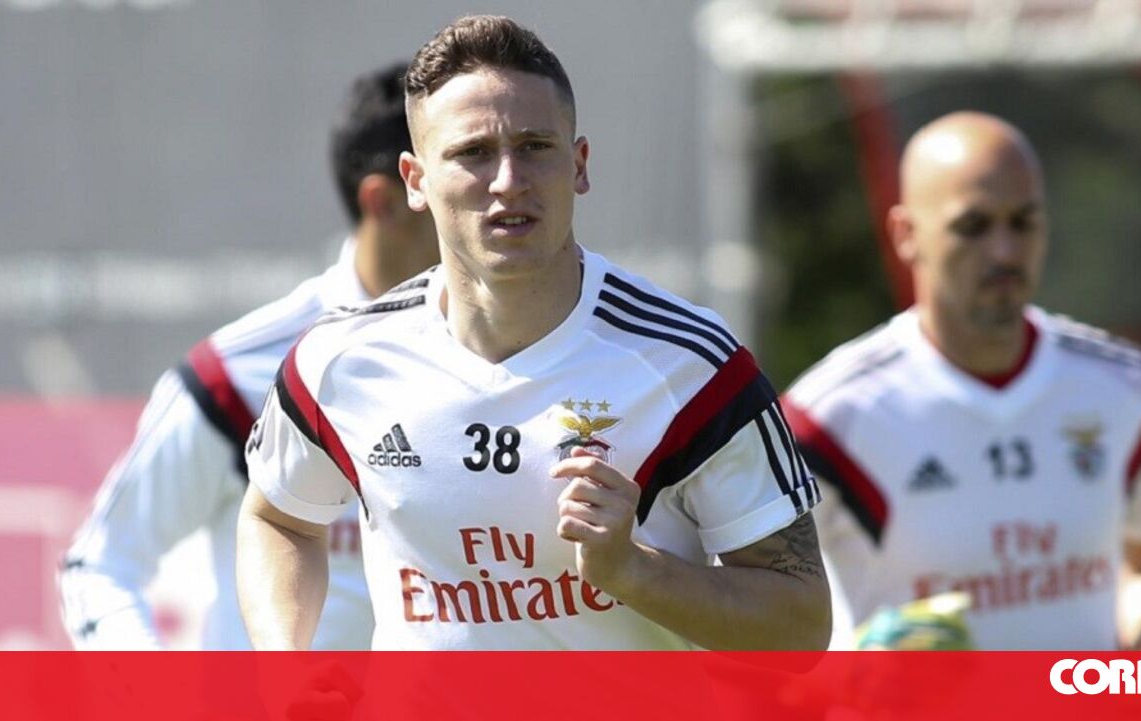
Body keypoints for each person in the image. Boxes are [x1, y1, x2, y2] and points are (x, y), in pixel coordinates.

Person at [237, 15, 831, 651]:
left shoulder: (692, 367)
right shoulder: (339, 361)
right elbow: (278, 519)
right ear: (416, 181)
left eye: (534, 146)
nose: (508, 181)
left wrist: (633, 571)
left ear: (579, 165)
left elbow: (800, 626)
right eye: (472, 153)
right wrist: (285, 663)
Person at [781, 111, 1141, 650]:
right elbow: (754, 629)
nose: (1004, 252)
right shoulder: (825, 421)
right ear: (906, 235)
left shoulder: (1127, 389)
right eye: (973, 226)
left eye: (1023, 222)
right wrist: (849, 670)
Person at [59, 62, 438, 650]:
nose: (499, 190)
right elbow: (100, 566)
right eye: (466, 162)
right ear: (387, 200)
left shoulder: (534, 354)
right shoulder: (239, 376)